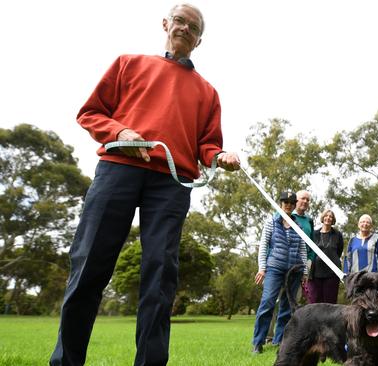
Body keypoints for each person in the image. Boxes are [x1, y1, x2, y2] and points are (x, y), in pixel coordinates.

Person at [50, 4, 240, 366]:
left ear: (200, 40)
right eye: (180, 21)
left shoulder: (207, 92)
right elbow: (90, 113)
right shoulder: (128, 63)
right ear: (166, 24)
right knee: (89, 265)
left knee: (160, 274)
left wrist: (219, 157)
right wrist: (120, 131)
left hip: (172, 182)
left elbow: (207, 145)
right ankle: (66, 362)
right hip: (118, 169)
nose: (185, 28)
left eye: (194, 27)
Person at [252, 191, 308, 354]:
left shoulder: (299, 225)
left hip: (294, 270)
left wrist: (305, 271)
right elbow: (264, 245)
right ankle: (258, 342)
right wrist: (262, 267)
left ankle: (279, 340)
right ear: (280, 204)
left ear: (294, 204)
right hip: (274, 268)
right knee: (267, 302)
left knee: (286, 306)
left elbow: (303, 249)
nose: (288, 205)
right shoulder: (271, 221)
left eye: (291, 202)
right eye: (285, 202)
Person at [307, 209, 345, 303]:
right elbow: (309, 251)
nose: (328, 218)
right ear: (323, 218)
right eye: (326, 216)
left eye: (330, 216)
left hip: (332, 274)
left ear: (333, 220)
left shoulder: (337, 234)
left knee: (330, 302)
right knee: (315, 301)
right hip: (315, 273)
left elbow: (339, 251)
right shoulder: (314, 233)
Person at [293, 190, 317, 303]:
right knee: (273, 299)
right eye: (303, 198)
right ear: (296, 200)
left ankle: (288, 321)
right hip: (283, 263)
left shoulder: (309, 221)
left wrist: (308, 264)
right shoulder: (285, 215)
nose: (306, 201)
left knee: (294, 298)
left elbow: (312, 246)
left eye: (308, 200)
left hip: (301, 266)